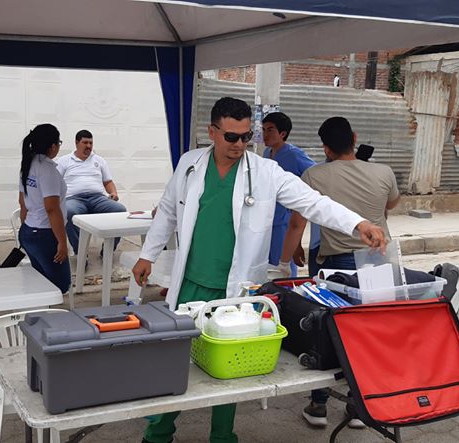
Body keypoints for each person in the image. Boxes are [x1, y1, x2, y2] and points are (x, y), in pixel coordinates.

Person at [132, 98, 387, 443]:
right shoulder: (190, 164)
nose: (239, 145)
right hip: (190, 284)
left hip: (235, 290)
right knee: (173, 363)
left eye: (246, 137)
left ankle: (222, 436)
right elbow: (167, 211)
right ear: (212, 132)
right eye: (231, 137)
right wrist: (147, 254)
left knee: (230, 369)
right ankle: (159, 432)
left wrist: (358, 223)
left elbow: (313, 202)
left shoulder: (266, 172)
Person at [278, 116, 399, 428]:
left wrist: (285, 260)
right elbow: (391, 205)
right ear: (354, 138)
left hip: (334, 264)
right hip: (377, 262)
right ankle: (360, 406)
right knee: (369, 332)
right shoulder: (384, 172)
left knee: (326, 331)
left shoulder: (314, 174)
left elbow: (297, 223)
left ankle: (319, 405)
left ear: (325, 148)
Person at [18, 124, 71, 294]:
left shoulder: (28, 164)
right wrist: (62, 242)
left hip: (29, 230)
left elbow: (22, 203)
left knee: (41, 283)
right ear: (53, 146)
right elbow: (52, 209)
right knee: (60, 285)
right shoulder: (47, 170)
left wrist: (26, 228)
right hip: (45, 234)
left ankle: (42, 309)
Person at [56, 130, 127, 255]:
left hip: (98, 198)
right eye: (85, 143)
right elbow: (55, 183)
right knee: (68, 212)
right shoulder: (64, 161)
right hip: (74, 199)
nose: (88, 146)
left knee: (120, 210)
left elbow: (108, 182)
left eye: (91, 143)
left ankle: (108, 250)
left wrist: (114, 193)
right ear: (76, 143)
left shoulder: (99, 160)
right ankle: (81, 252)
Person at [262, 112, 315, 277]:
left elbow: (315, 175)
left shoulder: (294, 154)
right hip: (268, 218)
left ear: (282, 133)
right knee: (267, 267)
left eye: (270, 130)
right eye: (263, 129)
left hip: (286, 222)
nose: (265, 134)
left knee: (283, 267)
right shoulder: (266, 153)